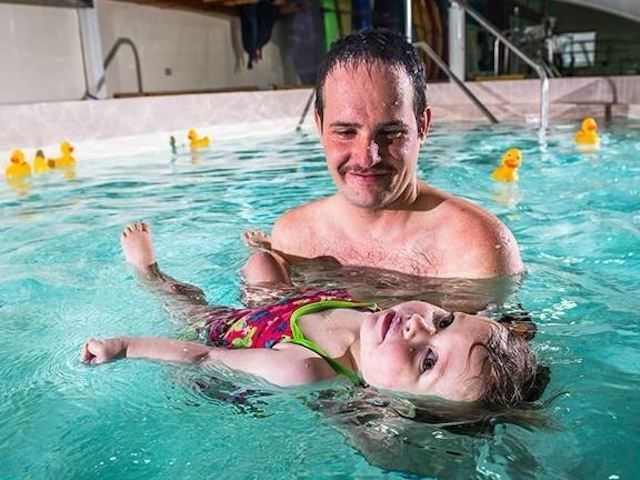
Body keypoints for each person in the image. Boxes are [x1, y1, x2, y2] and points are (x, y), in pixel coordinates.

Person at [81, 222, 540, 407]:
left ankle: (150, 273)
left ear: (398, 403)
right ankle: (269, 259)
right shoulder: (385, 324)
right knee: (263, 265)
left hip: (243, 332)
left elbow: (202, 357)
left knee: (191, 305)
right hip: (299, 304)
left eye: (427, 361)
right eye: (443, 321)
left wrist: (126, 346)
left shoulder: (305, 368)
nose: (417, 326)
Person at [243, 29, 523, 280]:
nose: (367, 158)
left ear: (422, 126)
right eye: (345, 132)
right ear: (319, 125)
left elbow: (511, 336)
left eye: (390, 132)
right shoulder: (294, 238)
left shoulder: (475, 248)